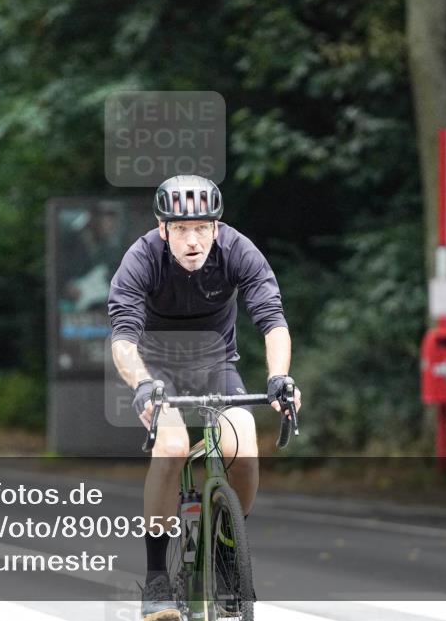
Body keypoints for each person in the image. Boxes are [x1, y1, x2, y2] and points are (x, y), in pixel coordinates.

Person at [107, 175, 301, 621]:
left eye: (201, 228)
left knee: (244, 445)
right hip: (159, 373)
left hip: (217, 367)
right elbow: (122, 339)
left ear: (217, 227)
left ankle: (229, 547)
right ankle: (157, 579)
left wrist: (279, 377)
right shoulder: (141, 259)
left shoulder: (237, 251)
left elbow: (272, 320)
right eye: (180, 229)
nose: (192, 240)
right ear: (162, 229)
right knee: (173, 448)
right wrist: (141, 383)